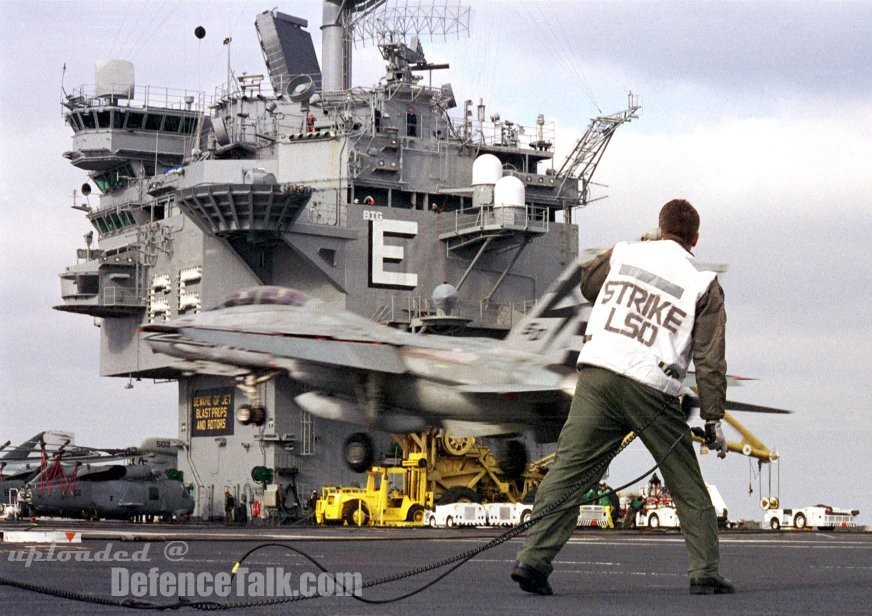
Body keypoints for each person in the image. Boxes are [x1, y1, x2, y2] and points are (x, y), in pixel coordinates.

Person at [511, 199, 733, 596]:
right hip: (652, 388)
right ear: (695, 239)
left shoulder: (627, 253)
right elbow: (710, 359)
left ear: (659, 227)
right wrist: (713, 419)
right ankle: (704, 572)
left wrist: (630, 245)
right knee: (685, 482)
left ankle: (533, 560)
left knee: (569, 471)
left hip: (597, 376)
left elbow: (588, 284)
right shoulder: (703, 285)